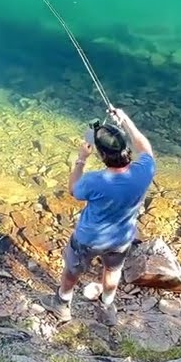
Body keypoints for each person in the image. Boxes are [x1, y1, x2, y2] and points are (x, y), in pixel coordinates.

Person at [48, 106, 156, 326]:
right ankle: (107, 307)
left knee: (73, 269)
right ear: (125, 149)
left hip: (88, 239)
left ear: (103, 156)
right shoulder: (145, 170)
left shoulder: (95, 181)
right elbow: (145, 146)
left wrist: (80, 160)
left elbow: (73, 190)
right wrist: (125, 120)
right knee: (112, 270)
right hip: (122, 238)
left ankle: (62, 304)